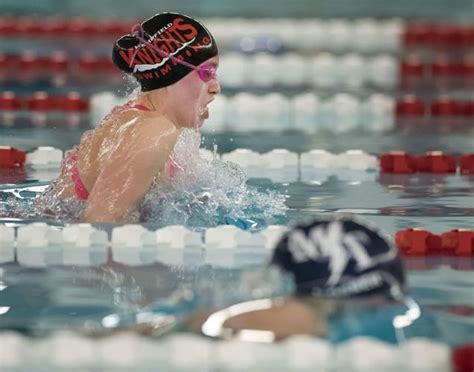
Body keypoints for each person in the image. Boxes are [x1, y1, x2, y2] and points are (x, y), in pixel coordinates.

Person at [37, 12, 220, 223]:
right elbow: (101, 223)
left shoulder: (142, 119)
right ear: (172, 75)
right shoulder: (153, 131)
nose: (216, 88)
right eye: (207, 73)